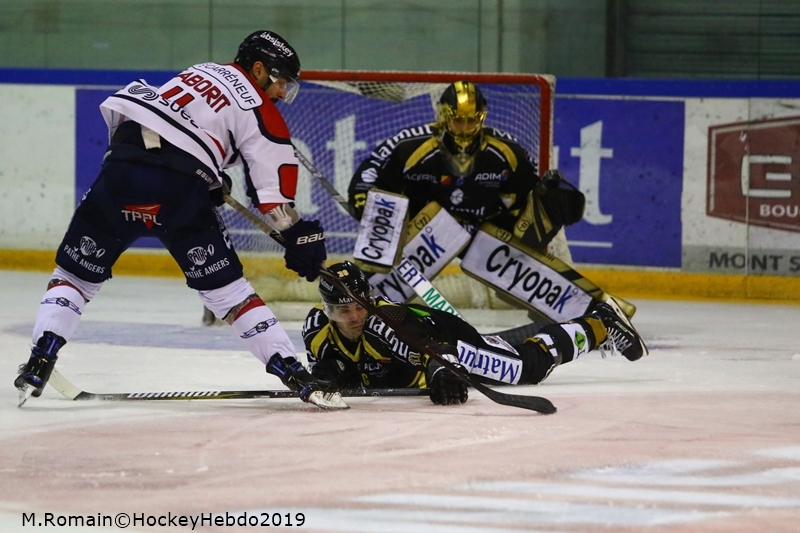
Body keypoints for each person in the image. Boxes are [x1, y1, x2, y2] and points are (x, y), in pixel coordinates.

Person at [14, 30, 338, 408]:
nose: (283, 93)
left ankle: (40, 360)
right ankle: (294, 374)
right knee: (229, 295)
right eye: (281, 81)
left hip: (121, 171)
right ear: (259, 68)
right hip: (179, 193)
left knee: (74, 276)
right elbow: (273, 198)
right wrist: (298, 235)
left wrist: (210, 176)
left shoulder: (198, 71)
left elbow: (162, 127)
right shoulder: (261, 110)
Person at [302, 262, 648, 405]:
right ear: (328, 311)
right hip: (417, 356)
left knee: (524, 369)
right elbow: (328, 364)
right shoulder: (316, 328)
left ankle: (600, 323)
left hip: (447, 338)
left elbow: (428, 345)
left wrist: (442, 370)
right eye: (344, 310)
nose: (355, 316)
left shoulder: (385, 320)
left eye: (360, 306)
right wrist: (323, 376)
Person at [348, 80, 585, 250]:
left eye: (472, 120)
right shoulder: (410, 146)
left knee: (532, 246)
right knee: (380, 251)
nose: (466, 127)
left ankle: (550, 309)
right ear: (443, 116)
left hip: (484, 228)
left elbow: (528, 192)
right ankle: (378, 306)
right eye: (458, 120)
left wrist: (544, 207)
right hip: (423, 229)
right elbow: (371, 174)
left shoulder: (506, 150)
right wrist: (365, 201)